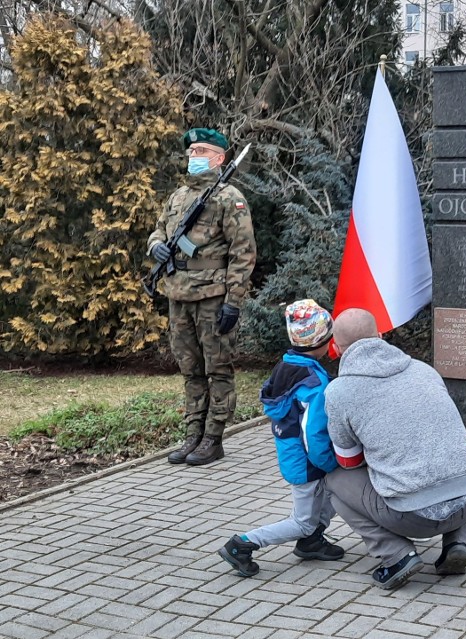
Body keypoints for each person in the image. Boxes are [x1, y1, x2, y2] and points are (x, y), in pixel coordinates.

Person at [323, 308, 466, 590]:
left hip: (413, 518)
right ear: (381, 335)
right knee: (451, 465)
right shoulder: (424, 370)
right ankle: (458, 542)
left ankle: (396, 556)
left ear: (335, 348)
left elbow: (347, 461)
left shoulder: (339, 392)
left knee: (335, 481)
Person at [147, 128, 257, 466]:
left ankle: (213, 438)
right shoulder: (178, 196)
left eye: (202, 151)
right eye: (191, 150)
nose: (194, 156)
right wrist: (156, 246)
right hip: (178, 294)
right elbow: (159, 229)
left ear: (220, 158)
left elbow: (244, 253)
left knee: (217, 369)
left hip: (213, 295)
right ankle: (193, 434)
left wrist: (233, 300)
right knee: (190, 369)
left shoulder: (229, 197)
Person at [218, 299, 344, 577]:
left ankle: (312, 541)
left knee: (333, 496)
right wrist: (330, 462)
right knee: (301, 520)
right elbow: (313, 433)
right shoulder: (313, 382)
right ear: (321, 341)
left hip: (293, 454)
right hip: (308, 461)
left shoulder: (287, 366)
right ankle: (243, 544)